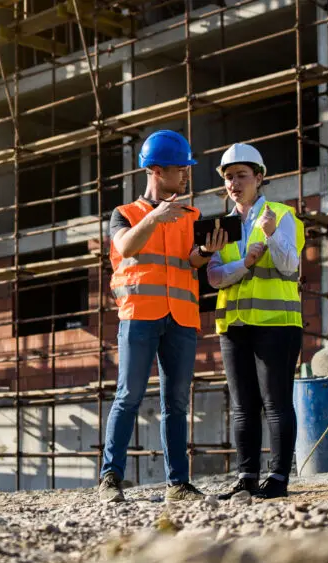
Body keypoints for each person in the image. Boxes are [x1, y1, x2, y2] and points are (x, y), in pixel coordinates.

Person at [98, 130, 228, 503]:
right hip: (140, 314)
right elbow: (126, 246)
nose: (186, 175)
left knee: (176, 402)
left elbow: (192, 261)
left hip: (182, 317)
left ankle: (178, 484)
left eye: (187, 168)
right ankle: (111, 478)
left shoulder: (192, 214)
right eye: (179, 168)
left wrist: (205, 250)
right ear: (155, 170)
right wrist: (155, 218)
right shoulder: (124, 214)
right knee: (129, 395)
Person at [207, 143, 305, 500]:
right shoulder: (222, 226)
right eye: (229, 177)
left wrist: (272, 232)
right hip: (233, 325)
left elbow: (290, 265)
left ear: (259, 178)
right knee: (242, 404)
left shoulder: (282, 214)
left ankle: (278, 479)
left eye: (241, 176)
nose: (234, 183)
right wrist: (244, 264)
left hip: (277, 322)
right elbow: (215, 277)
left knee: (276, 402)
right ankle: (246, 478)